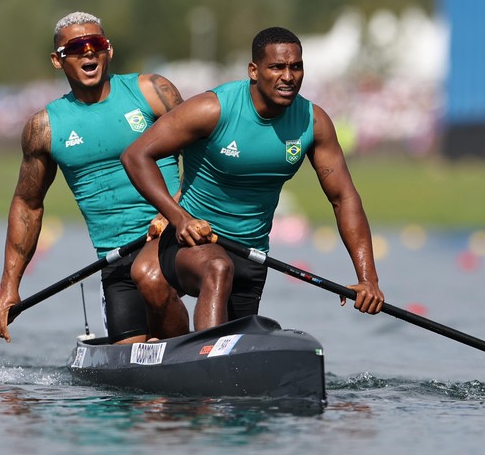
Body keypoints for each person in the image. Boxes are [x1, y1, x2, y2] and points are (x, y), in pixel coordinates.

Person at [121, 26, 384, 331]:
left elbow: (344, 198)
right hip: (193, 241)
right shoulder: (212, 108)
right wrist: (178, 218)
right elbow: (136, 155)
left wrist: (368, 279)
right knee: (216, 268)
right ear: (254, 71)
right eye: (277, 67)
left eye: (296, 67)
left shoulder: (314, 122)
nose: (288, 76)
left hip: (251, 255)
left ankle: (194, 355)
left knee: (237, 339)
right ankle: (202, 359)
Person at [0, 11, 188, 345]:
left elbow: (202, 156)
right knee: (133, 367)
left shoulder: (153, 91)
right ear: (57, 60)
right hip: (117, 258)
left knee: (159, 293)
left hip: (177, 238)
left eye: (96, 44)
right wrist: (9, 289)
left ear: (109, 50)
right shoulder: (44, 128)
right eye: (76, 48)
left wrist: (173, 210)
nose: (88, 52)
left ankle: (192, 351)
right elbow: (27, 205)